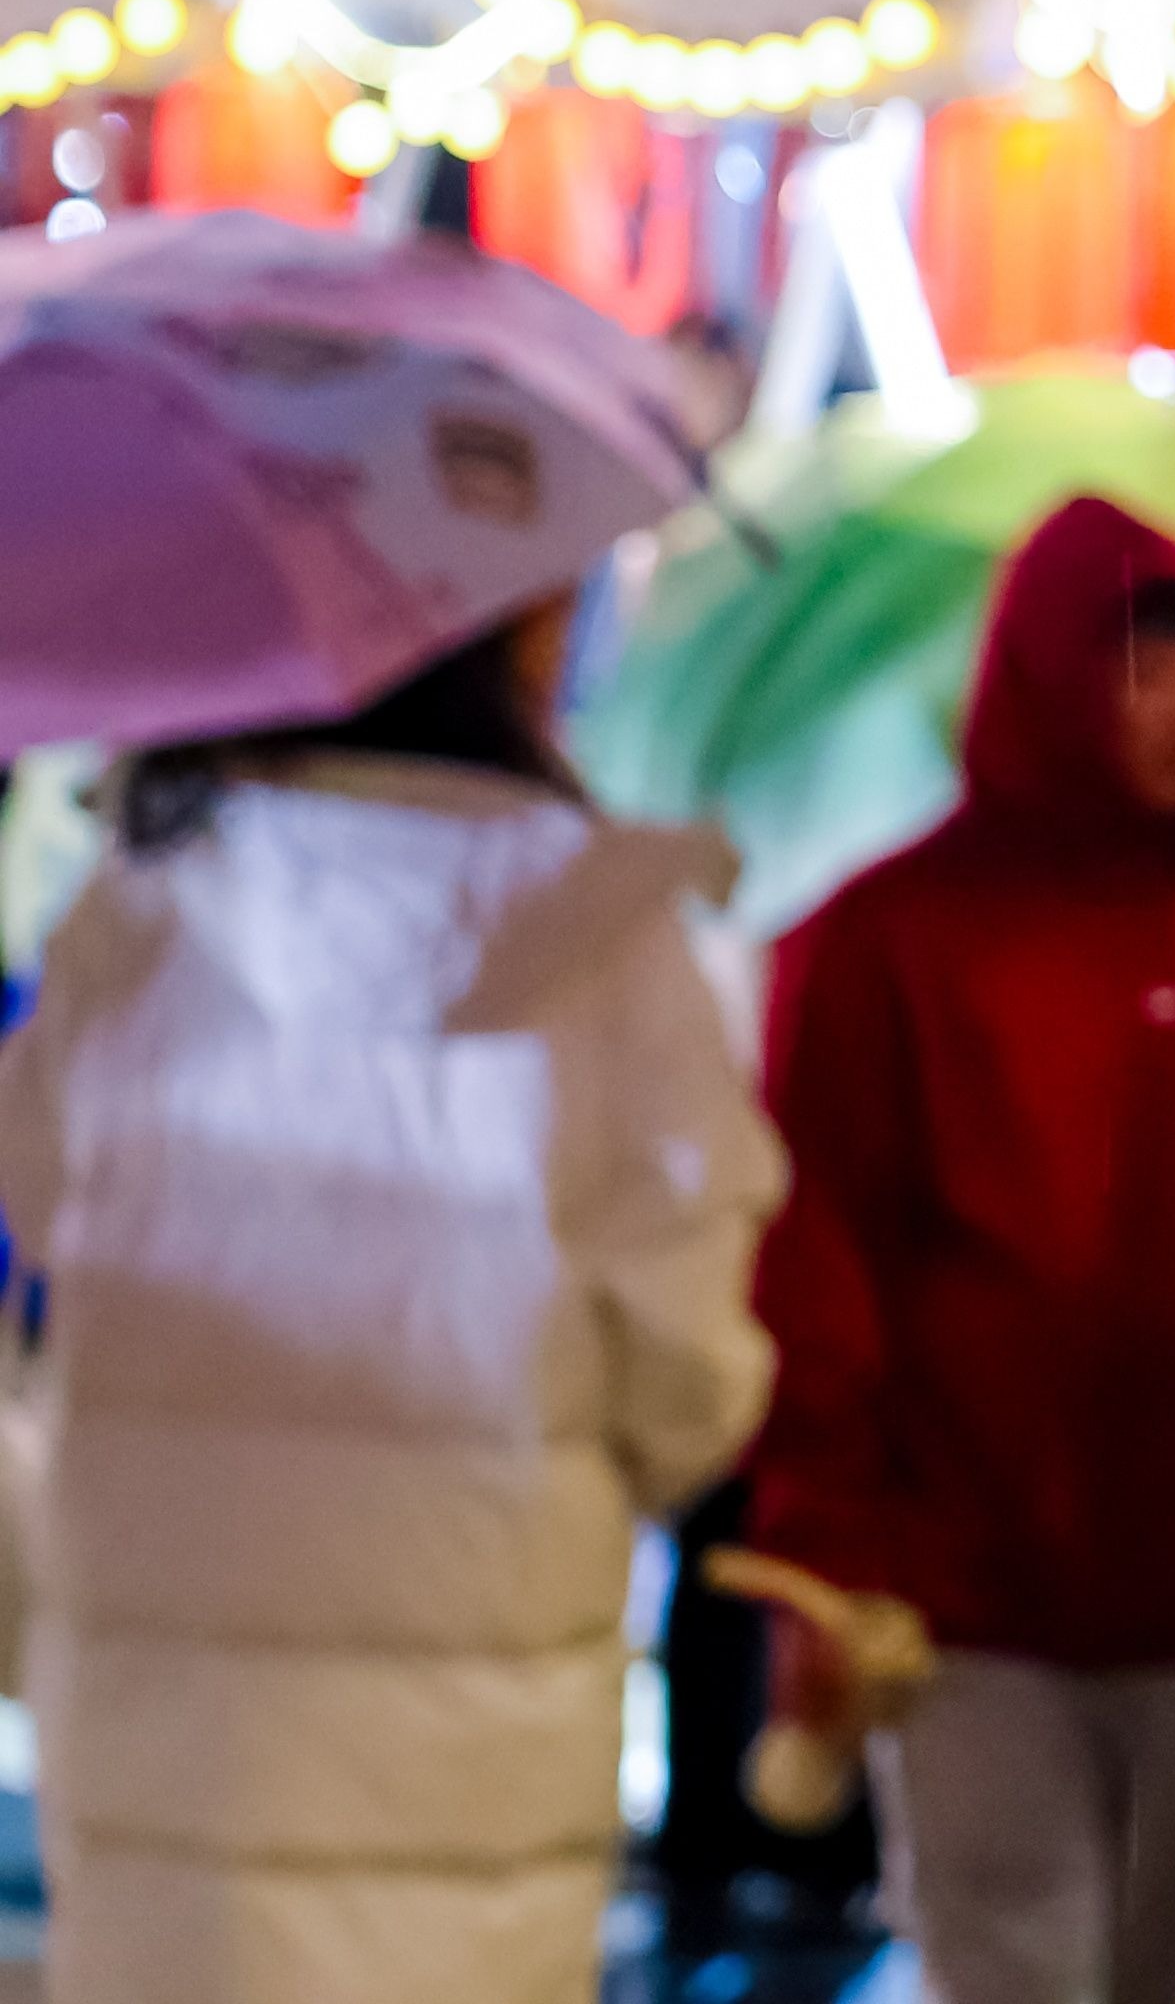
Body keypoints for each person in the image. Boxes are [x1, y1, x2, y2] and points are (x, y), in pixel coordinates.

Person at [0, 604, 782, 2004]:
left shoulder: (133, 911)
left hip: (171, 1714)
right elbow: (687, 1384)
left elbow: (44, 1213)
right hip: (477, 1697)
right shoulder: (606, 943)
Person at [746, 496, 1175, 2004]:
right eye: (1142, 669)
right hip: (974, 1592)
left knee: (1151, 1966)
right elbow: (817, 1266)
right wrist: (825, 1553)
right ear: (1056, 677)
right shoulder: (887, 939)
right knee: (1017, 1969)